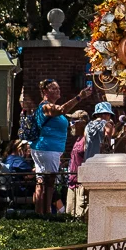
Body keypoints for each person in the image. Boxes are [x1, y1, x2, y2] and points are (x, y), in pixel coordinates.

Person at [32, 79, 93, 218]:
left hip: (46, 149)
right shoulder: (45, 107)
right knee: (48, 182)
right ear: (44, 91)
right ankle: (45, 213)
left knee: (42, 181)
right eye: (53, 88)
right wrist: (79, 97)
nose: (57, 90)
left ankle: (40, 214)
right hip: (47, 149)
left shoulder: (49, 107)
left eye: (58, 87)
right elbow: (62, 110)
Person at [66, 112, 89, 218]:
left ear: (82, 123)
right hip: (72, 183)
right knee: (69, 216)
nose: (71, 124)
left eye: (73, 121)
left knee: (80, 216)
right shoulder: (78, 139)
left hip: (81, 184)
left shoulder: (87, 139)